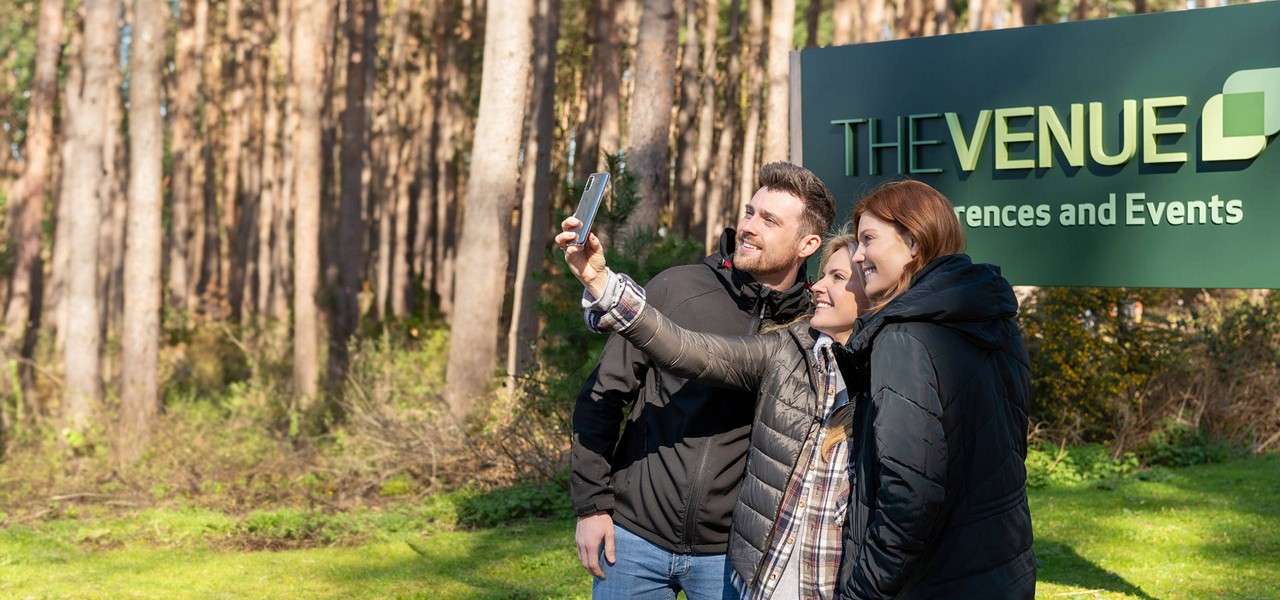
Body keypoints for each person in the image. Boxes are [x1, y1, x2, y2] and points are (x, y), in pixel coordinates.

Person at [559, 218, 867, 599]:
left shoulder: (869, 365)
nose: (749, 226)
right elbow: (684, 352)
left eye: (770, 220)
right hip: (637, 536)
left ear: (806, 243)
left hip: (741, 558)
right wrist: (602, 285)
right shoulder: (788, 344)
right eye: (751, 212)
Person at [832, 180, 1035, 600]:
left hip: (932, 580)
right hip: (1002, 567)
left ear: (912, 241)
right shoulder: (992, 319)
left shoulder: (903, 336)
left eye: (868, 239)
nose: (857, 255)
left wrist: (861, 591)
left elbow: (910, 495)